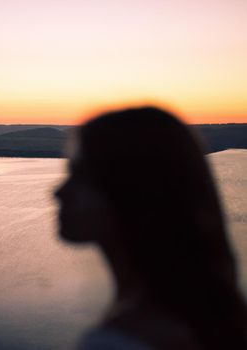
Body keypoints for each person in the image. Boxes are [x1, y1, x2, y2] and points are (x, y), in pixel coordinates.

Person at [55, 107, 247, 349]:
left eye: (81, 176)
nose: (58, 192)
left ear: (134, 192)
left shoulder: (118, 342)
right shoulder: (209, 317)